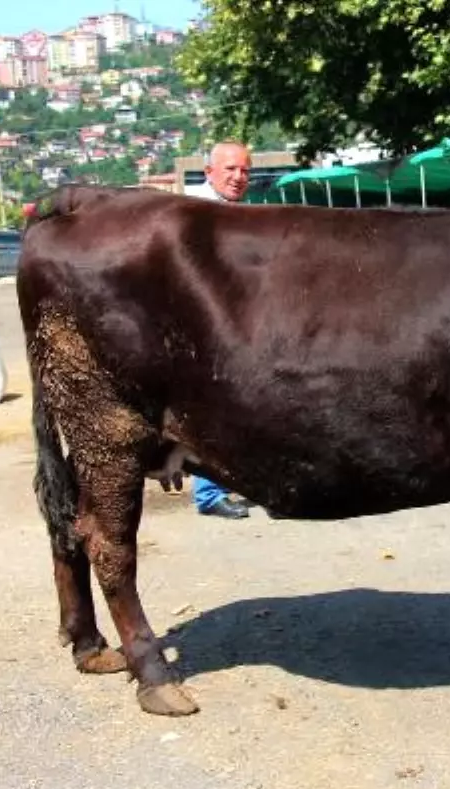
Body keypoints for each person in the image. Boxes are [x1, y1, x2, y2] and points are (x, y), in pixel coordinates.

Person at [189, 141, 253, 520]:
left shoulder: (239, 214)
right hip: (203, 327)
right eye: (230, 169)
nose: (238, 177)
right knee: (205, 409)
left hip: (233, 327)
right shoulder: (196, 214)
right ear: (209, 173)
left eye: (245, 171)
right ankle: (208, 493)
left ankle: (234, 481)